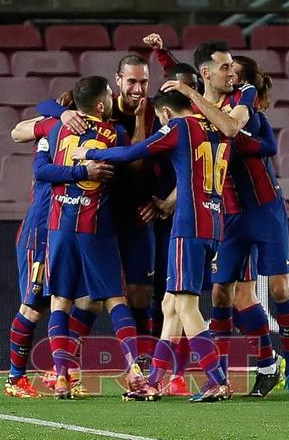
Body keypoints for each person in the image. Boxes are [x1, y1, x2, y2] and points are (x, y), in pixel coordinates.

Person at [161, 41, 289, 400]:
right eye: (224, 69)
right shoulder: (203, 103)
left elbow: (230, 129)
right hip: (226, 211)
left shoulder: (244, 99)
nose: (230, 75)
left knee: (279, 290)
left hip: (264, 208)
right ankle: (227, 376)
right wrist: (163, 55)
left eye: (233, 70)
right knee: (222, 293)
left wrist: (188, 90)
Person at [72, 89, 232, 403]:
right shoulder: (216, 128)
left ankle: (217, 380)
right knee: (170, 306)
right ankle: (155, 382)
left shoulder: (179, 127)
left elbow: (134, 152)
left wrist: (90, 154)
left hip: (189, 225)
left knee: (186, 306)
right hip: (214, 221)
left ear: (165, 114)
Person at [35, 54, 159, 363]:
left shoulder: (155, 110)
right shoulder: (99, 104)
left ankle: (140, 362)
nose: (138, 89)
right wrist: (61, 114)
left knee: (139, 291)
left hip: (137, 211)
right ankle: (67, 363)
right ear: (118, 82)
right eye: (132, 82)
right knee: (92, 297)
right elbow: (46, 107)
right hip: (98, 214)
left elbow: (149, 163)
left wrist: (163, 200)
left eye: (143, 82)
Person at [4, 111, 114, 400]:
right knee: (34, 306)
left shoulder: (92, 138)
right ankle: (15, 379)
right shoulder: (51, 131)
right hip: (41, 232)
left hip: (71, 230)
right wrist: (57, 114)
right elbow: (18, 133)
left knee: (91, 302)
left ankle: (59, 369)